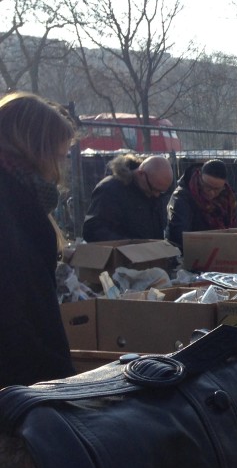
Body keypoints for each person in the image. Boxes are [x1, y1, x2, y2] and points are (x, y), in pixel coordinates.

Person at [0, 92, 77, 386]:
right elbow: (20, 305)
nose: (60, 169)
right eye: (59, 156)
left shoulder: (19, 195)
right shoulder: (13, 202)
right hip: (21, 382)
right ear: (35, 149)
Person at [82, 153, 173, 242]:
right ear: (141, 174)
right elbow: (93, 230)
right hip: (122, 254)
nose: (157, 195)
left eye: (161, 192)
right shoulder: (110, 190)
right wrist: (130, 244)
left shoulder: (151, 190)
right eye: (154, 189)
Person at [165, 159, 237, 249]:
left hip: (219, 248)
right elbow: (180, 235)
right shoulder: (182, 197)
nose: (211, 193)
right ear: (199, 177)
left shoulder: (227, 197)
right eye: (207, 187)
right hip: (191, 251)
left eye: (217, 189)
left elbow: (233, 225)